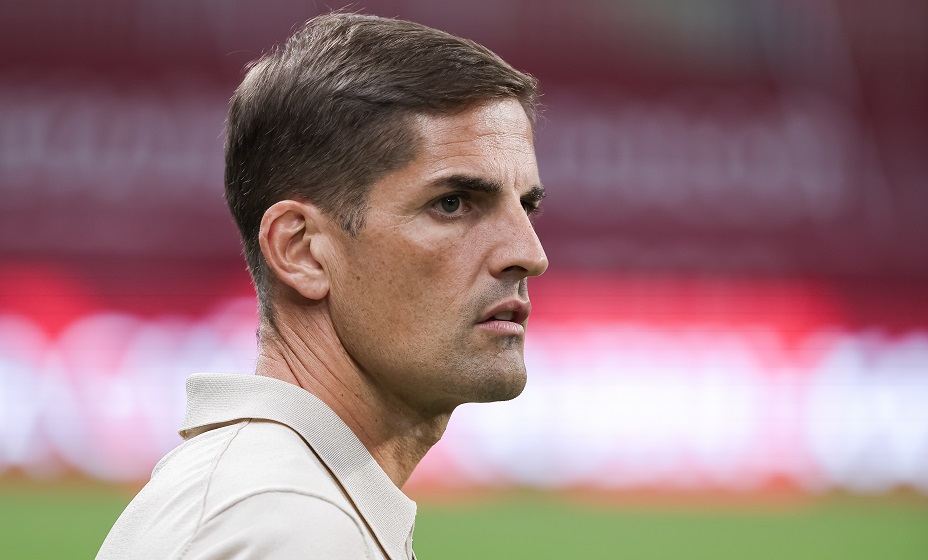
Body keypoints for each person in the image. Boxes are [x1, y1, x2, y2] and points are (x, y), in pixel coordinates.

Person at [97, 11, 547, 560]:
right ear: (302, 251)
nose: (530, 254)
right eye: (451, 204)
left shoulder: (282, 497)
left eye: (526, 206)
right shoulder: (289, 524)